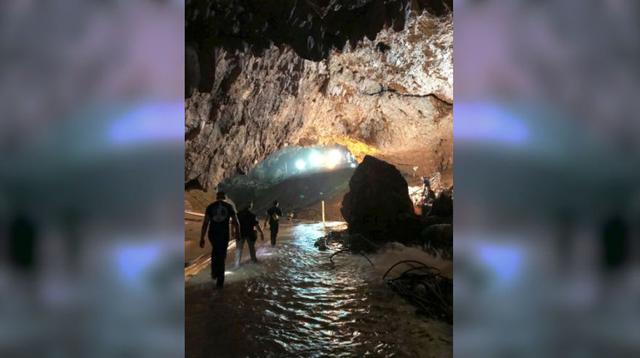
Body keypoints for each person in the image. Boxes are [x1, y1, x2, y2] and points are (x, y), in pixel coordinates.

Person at [199, 191, 239, 289]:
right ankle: (220, 281)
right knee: (222, 255)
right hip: (223, 234)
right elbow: (236, 222)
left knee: (215, 251)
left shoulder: (210, 206)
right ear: (225, 197)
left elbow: (205, 223)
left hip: (212, 234)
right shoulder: (229, 206)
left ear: (217, 197)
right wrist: (238, 234)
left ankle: (214, 272)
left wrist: (202, 238)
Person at [236, 202, 264, 267]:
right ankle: (254, 261)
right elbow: (257, 225)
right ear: (250, 207)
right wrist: (261, 232)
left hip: (240, 233)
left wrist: (233, 232)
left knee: (239, 249)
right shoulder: (252, 215)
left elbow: (234, 223)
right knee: (252, 248)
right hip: (250, 233)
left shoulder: (238, 214)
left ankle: (237, 263)